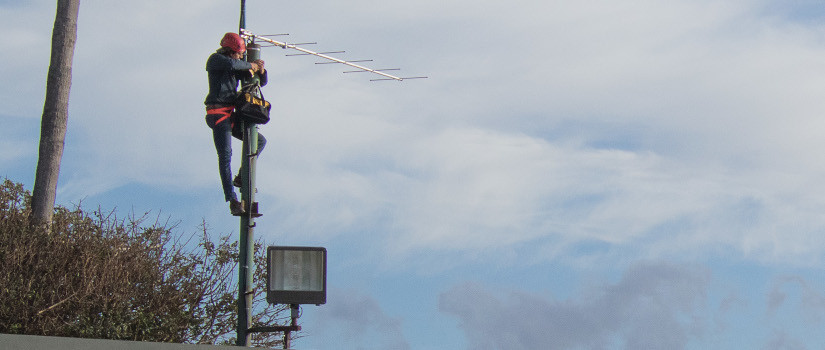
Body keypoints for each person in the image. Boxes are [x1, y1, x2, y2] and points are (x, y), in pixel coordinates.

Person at [204, 32, 268, 216]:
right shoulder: (216, 60)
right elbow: (233, 64)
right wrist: (250, 64)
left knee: (260, 141)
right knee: (225, 155)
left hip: (230, 115)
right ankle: (231, 199)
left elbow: (257, 80)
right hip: (217, 115)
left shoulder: (236, 63)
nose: (241, 56)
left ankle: (241, 177)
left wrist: (261, 71)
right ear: (230, 51)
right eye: (239, 53)